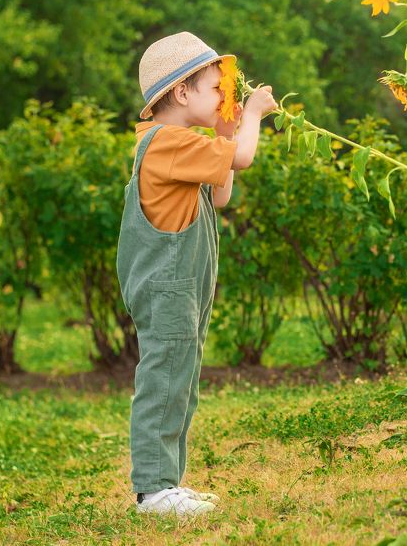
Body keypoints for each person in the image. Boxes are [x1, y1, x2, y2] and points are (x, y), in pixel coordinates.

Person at [115, 31, 277, 519]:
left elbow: (223, 192)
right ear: (182, 93)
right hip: (167, 285)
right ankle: (153, 491)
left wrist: (227, 127)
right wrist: (250, 116)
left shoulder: (186, 145)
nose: (222, 98)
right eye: (214, 88)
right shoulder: (166, 143)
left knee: (179, 383)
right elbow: (244, 159)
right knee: (164, 380)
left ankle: (169, 484)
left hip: (184, 285)